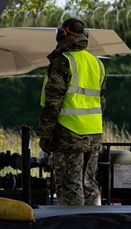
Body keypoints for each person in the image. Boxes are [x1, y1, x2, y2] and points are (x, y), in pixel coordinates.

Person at [37, 17, 107, 206]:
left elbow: (53, 103)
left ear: (63, 33)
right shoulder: (96, 63)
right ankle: (94, 226)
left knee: (70, 186)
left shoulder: (63, 61)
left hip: (69, 134)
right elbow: (102, 101)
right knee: (89, 184)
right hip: (93, 134)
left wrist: (45, 134)